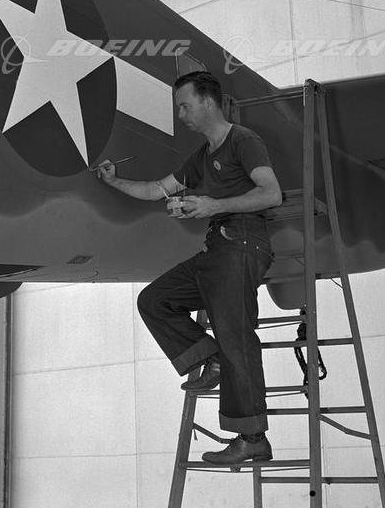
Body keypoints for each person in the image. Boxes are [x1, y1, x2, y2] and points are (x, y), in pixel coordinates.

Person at [96, 70, 282, 466]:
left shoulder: (243, 141)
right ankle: (209, 359)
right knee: (155, 300)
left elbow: (271, 194)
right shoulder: (201, 156)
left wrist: (213, 205)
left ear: (208, 102)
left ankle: (252, 438)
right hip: (218, 248)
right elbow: (155, 190)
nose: (180, 115)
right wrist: (114, 182)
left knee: (236, 337)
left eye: (185, 106)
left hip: (243, 242)